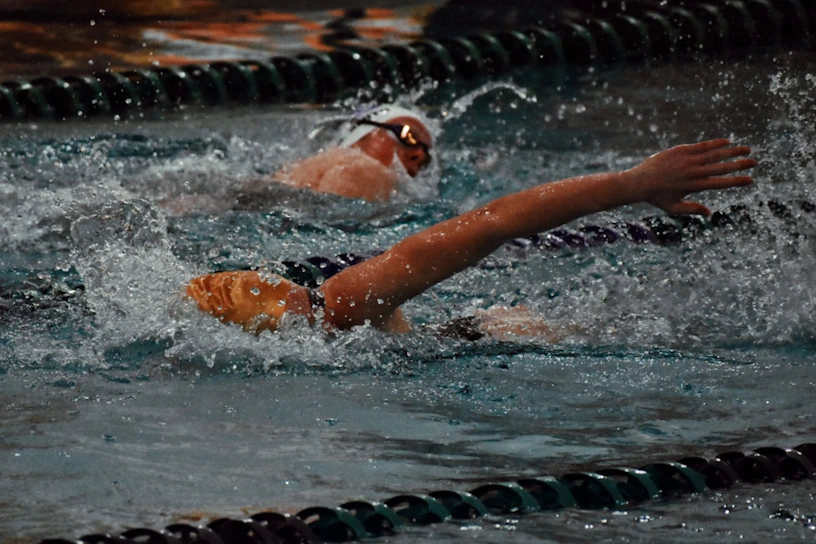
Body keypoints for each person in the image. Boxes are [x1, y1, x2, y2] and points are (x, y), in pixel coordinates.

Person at [186, 138, 757, 338]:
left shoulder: (331, 319)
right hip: (459, 340)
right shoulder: (348, 301)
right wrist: (630, 183)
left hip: (448, 340)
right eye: (282, 288)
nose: (284, 280)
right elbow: (493, 222)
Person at [268, 104, 434, 203]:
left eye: (427, 158)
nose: (419, 154)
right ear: (362, 134)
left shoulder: (297, 170)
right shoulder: (364, 168)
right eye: (408, 136)